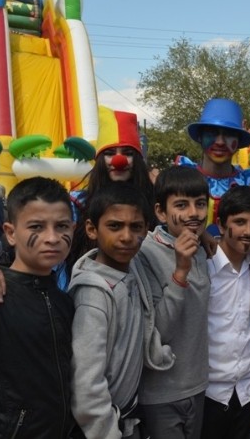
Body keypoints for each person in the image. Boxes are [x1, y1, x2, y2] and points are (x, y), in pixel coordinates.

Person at [69, 182, 175, 439]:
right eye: (115, 226)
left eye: (136, 227)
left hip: (127, 417)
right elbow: (86, 385)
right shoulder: (93, 294)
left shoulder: (132, 268)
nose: (127, 237)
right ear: (92, 229)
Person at [0, 177, 75, 438]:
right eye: (36, 227)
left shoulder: (65, 301)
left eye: (61, 226)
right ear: (10, 233)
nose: (52, 238)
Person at [137, 166, 211, 439]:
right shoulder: (144, 254)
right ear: (160, 212)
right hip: (161, 393)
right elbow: (158, 331)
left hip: (198, 385)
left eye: (200, 204)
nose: (193, 213)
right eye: (181, 205)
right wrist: (180, 272)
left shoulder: (200, 248)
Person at [63, 108, 154, 291]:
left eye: (127, 153)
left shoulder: (154, 201)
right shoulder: (77, 203)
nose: (119, 160)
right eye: (110, 153)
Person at [202, 186, 250, 439]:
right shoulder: (203, 268)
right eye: (239, 222)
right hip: (208, 392)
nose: (248, 231)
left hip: (248, 389)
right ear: (220, 224)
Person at [183, 98, 250, 236]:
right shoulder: (182, 181)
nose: (220, 142)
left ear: (238, 141)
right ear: (200, 137)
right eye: (212, 132)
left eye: (229, 134)